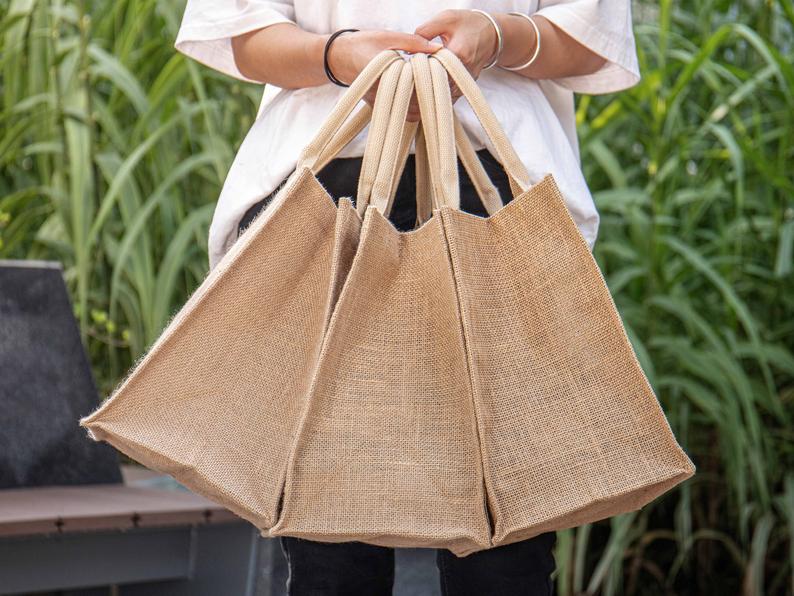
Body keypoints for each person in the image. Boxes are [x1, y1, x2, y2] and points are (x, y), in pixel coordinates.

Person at [174, 2, 640, 594]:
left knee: (504, 536)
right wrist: (339, 56)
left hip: (493, 189)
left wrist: (496, 38)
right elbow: (246, 35)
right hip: (331, 185)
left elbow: (589, 37)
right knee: (331, 536)